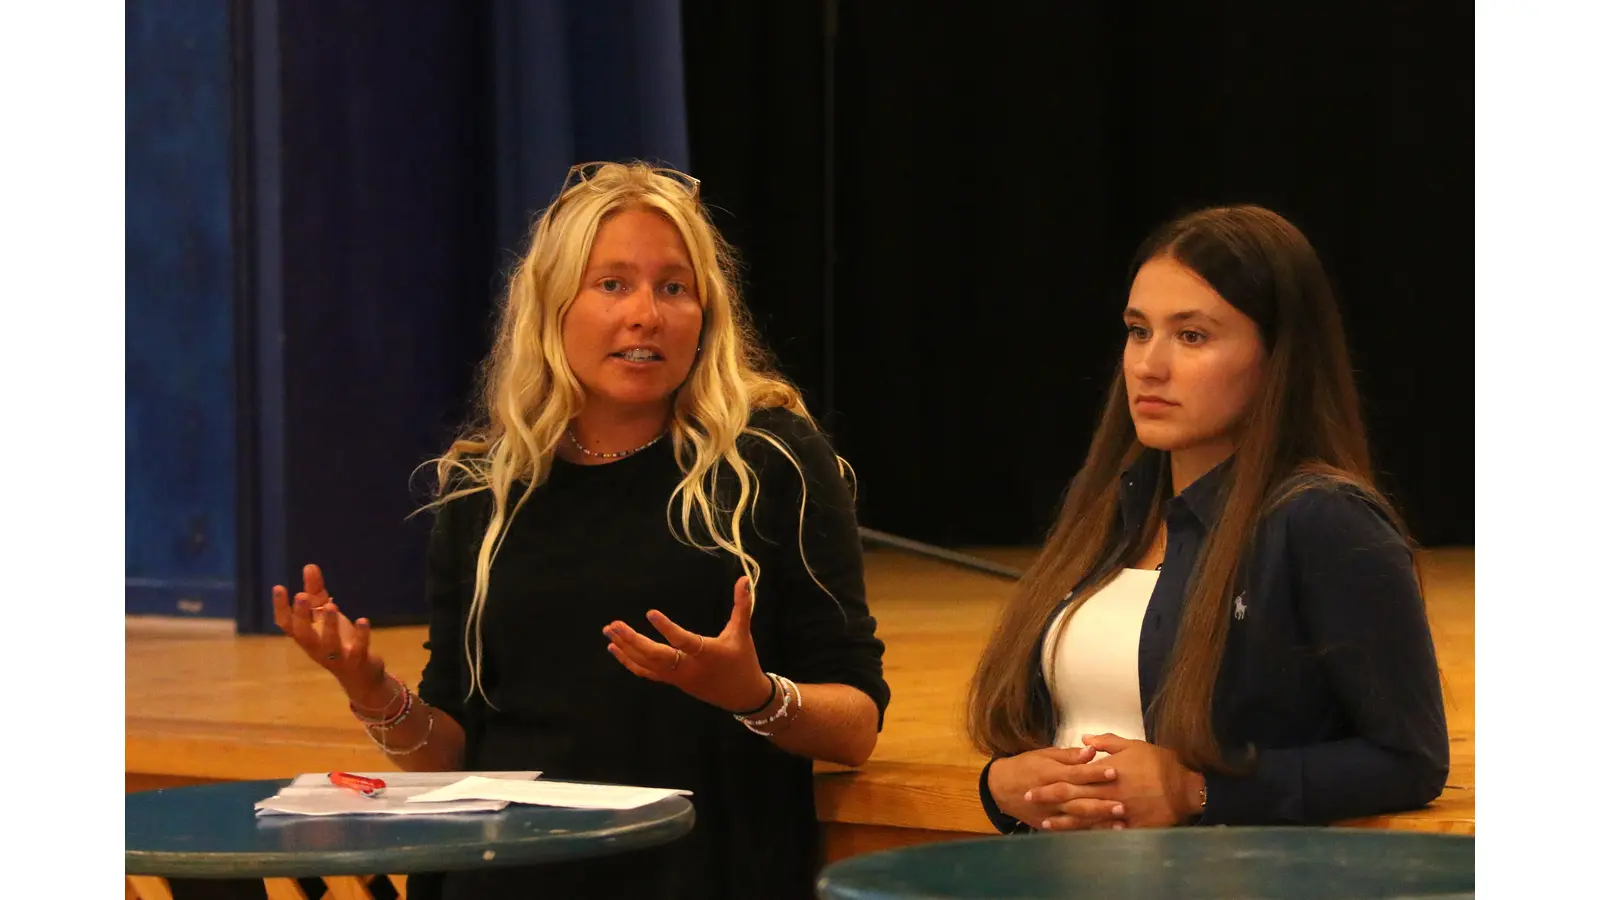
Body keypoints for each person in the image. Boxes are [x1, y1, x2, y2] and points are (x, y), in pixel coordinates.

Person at [272, 161, 889, 899]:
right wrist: (369, 688)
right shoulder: (484, 490)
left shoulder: (770, 459)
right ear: (552, 306)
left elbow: (854, 726)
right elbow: (453, 756)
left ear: (707, 315)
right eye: (612, 284)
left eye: (674, 287)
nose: (645, 315)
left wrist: (751, 693)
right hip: (505, 879)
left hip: (698, 872)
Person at [967, 204, 1448, 833]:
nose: (1148, 365)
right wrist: (1001, 783)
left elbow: (1408, 760)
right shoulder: (1111, 504)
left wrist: (1198, 791)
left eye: (1191, 336)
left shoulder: (1324, 521)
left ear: (1277, 355)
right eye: (1138, 330)